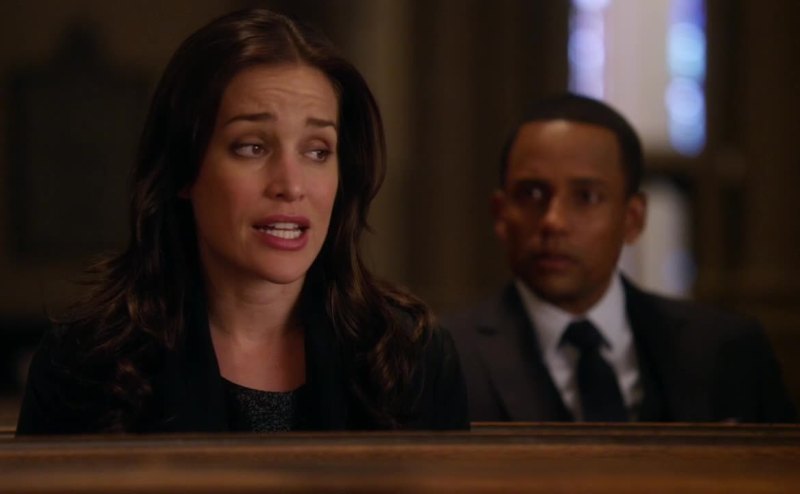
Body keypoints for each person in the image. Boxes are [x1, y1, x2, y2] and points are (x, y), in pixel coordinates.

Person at [16, 8, 467, 434]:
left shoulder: (409, 357)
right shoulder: (88, 362)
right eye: (252, 146)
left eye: (317, 151)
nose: (291, 185)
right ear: (184, 168)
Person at [444, 93, 796, 423]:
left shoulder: (727, 351)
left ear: (633, 219)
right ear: (500, 214)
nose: (554, 221)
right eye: (532, 194)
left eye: (586, 196)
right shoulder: (447, 359)